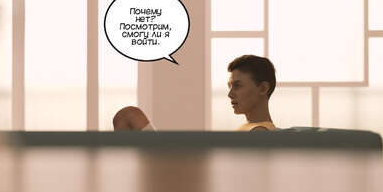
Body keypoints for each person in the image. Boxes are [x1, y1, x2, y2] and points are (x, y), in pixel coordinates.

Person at [113, 54, 277, 132]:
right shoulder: (250, 128)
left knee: (129, 115)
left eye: (238, 86)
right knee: (127, 116)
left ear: (263, 88)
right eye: (229, 86)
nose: (230, 95)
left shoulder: (260, 132)